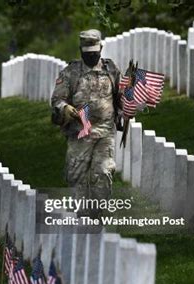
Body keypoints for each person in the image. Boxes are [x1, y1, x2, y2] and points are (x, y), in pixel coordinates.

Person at [50, 29, 123, 218]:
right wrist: (65, 108)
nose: (91, 55)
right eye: (87, 52)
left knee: (103, 171)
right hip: (79, 131)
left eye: (94, 52)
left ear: (101, 48)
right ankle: (81, 215)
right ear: (81, 50)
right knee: (77, 175)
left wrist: (126, 105)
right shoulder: (70, 73)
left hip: (105, 131)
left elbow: (120, 97)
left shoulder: (111, 70)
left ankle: (98, 215)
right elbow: (57, 100)